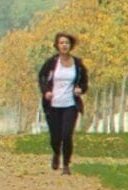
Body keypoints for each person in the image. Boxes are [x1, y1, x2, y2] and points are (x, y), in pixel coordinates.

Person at [36, 32, 93, 174]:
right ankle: (56, 153)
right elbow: (42, 78)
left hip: (70, 104)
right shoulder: (51, 62)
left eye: (67, 43)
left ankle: (66, 164)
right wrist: (46, 91)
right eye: (61, 43)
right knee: (55, 136)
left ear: (70, 45)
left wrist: (81, 89)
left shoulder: (78, 64)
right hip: (53, 104)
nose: (64, 45)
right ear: (57, 45)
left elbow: (84, 82)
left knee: (67, 134)